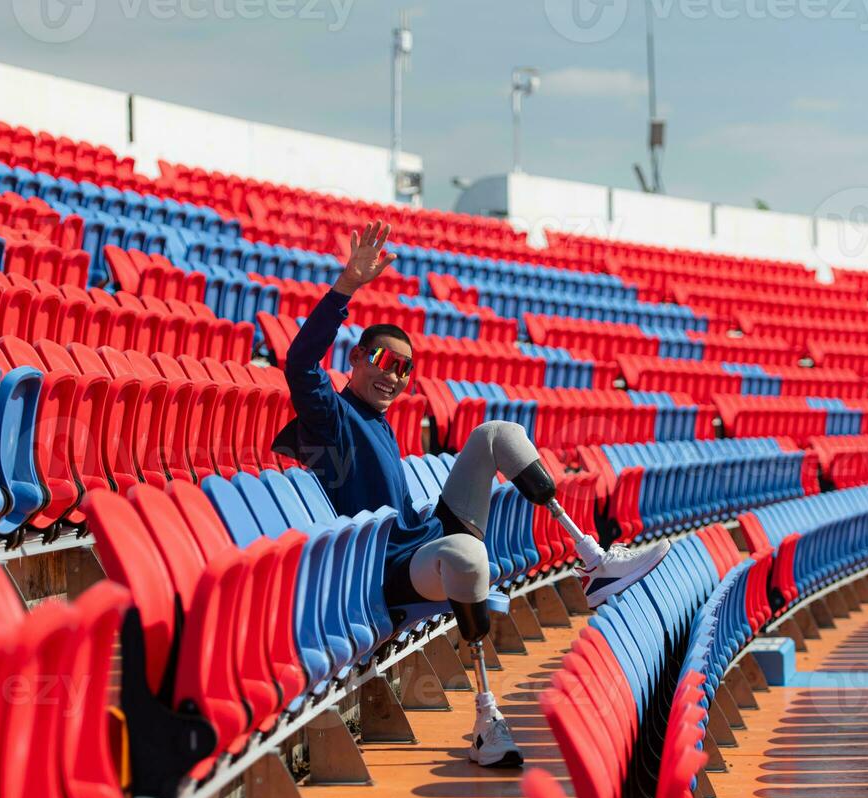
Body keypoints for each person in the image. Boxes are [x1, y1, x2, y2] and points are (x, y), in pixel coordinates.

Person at [276, 221, 669, 768]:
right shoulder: (332, 416)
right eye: (385, 363)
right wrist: (346, 286)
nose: (394, 377)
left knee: (496, 434)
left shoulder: (382, 421)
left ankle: (592, 557)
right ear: (357, 360)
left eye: (405, 371)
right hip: (385, 566)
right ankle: (487, 720)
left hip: (422, 537)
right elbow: (298, 364)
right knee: (467, 556)